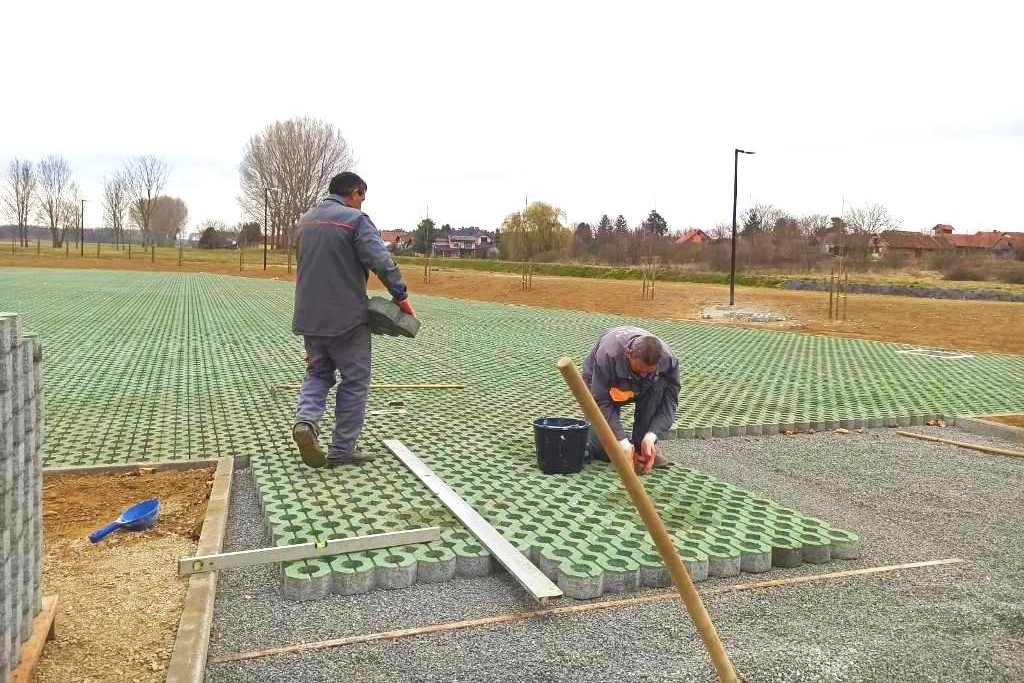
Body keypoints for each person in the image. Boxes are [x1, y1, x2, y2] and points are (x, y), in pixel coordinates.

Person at [291, 171, 413, 468]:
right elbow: (381, 260)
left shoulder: (305, 221)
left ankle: (305, 423)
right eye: (362, 197)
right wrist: (400, 296)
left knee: (318, 374)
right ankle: (342, 450)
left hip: (309, 316)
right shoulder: (356, 221)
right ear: (355, 193)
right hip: (347, 318)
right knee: (354, 381)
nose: (361, 203)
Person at [582, 326, 680, 473]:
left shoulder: (668, 359)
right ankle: (623, 445)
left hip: (644, 386)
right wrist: (622, 443)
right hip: (603, 381)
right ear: (629, 353)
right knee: (603, 446)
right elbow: (600, 401)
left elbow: (669, 403)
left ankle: (641, 449)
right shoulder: (607, 355)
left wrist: (651, 436)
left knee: (659, 386)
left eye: (649, 372)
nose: (643, 376)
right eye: (639, 371)